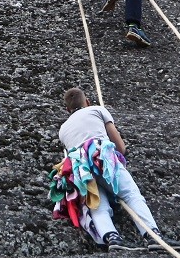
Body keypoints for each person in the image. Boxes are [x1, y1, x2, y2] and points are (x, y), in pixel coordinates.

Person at [49, 88, 167, 250]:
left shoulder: (63, 129)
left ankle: (112, 238)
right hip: (101, 158)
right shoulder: (97, 110)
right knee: (130, 194)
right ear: (87, 101)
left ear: (67, 110)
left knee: (96, 201)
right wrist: (123, 153)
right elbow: (118, 143)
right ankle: (153, 236)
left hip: (80, 168)